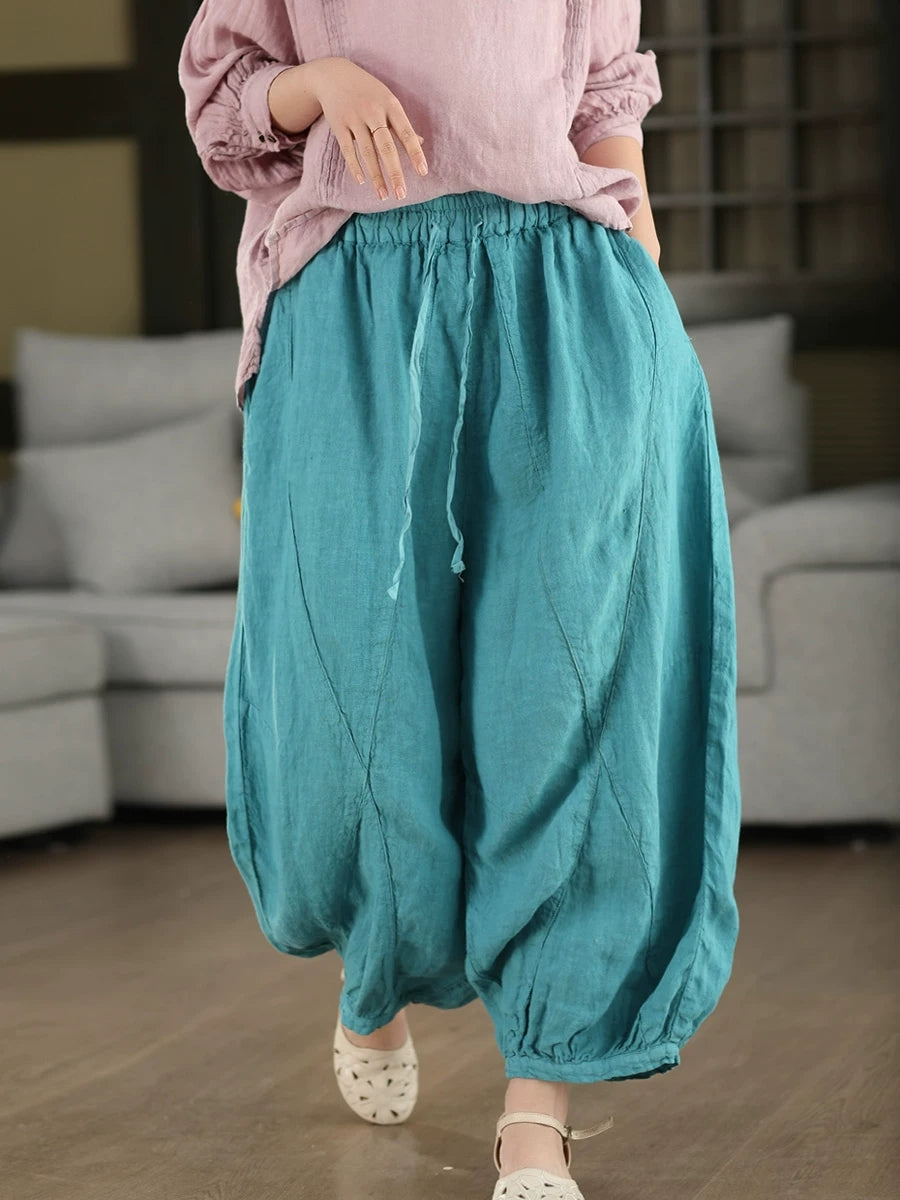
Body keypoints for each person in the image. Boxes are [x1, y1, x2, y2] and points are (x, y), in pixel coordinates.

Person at [178, 3, 742, 1196]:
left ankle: (537, 1101)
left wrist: (645, 301)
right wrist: (322, 83)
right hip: (352, 303)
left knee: (567, 701)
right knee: (346, 714)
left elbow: (605, 103)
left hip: (569, 300)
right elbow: (224, 101)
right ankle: (373, 971)